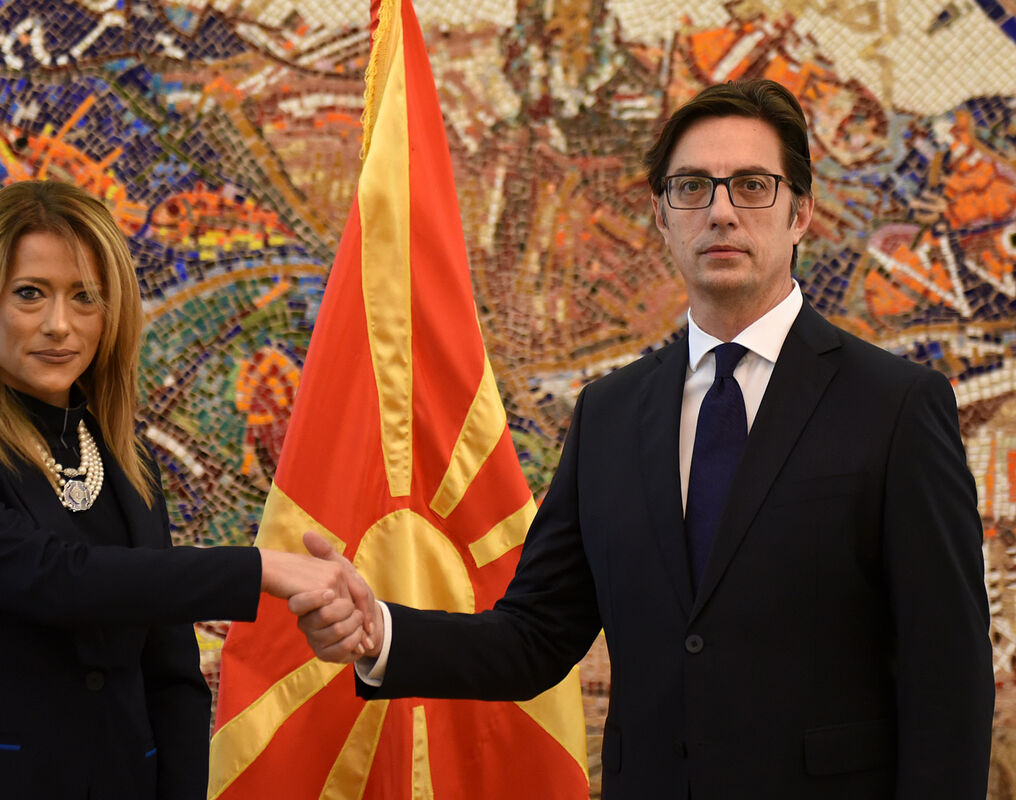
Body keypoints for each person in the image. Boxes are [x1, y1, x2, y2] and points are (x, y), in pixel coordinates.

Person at [292, 79, 995, 799]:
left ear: (801, 213)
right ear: (662, 216)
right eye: (692, 187)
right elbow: (536, 636)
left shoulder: (896, 405)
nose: (721, 211)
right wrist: (379, 632)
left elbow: (949, 672)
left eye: (752, 185)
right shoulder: (609, 414)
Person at [0, 180, 373, 800]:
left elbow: (172, 678)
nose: (60, 325)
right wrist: (260, 568)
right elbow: (51, 578)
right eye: (30, 293)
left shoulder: (129, 462)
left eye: (86, 297)